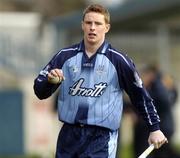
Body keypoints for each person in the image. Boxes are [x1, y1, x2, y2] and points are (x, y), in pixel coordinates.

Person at [33, 4, 167, 158]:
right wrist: (50, 81)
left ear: (107, 27)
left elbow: (140, 96)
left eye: (98, 24)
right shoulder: (64, 56)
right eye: (89, 23)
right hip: (68, 136)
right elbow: (39, 91)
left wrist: (154, 128)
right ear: (82, 25)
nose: (92, 28)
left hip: (101, 137)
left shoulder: (119, 61)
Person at [132, 64, 179, 158]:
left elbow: (164, 102)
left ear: (151, 75)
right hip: (163, 125)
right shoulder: (155, 87)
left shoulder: (158, 87)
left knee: (163, 152)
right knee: (162, 151)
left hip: (163, 126)